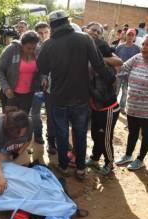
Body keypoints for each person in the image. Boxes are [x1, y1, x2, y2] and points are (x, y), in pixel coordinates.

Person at [37, 10, 116, 180]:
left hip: (59, 99)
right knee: (80, 134)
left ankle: (64, 166)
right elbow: (98, 64)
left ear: (52, 26)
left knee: (62, 134)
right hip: (81, 99)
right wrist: (110, 78)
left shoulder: (49, 44)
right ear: (67, 21)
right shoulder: (85, 39)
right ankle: (81, 169)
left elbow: (42, 68)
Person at [84, 22, 123, 175]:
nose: (94, 33)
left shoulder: (102, 48)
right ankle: (94, 158)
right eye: (92, 29)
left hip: (108, 107)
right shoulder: (83, 48)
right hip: (95, 106)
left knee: (105, 137)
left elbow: (118, 62)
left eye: (97, 31)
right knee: (95, 134)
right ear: (86, 30)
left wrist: (100, 60)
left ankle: (109, 162)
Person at [0, 108, 32, 195]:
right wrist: (0, 177)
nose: (21, 136)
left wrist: (17, 154)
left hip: (13, 147)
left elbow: (28, 141)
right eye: (17, 133)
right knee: (4, 171)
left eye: (23, 133)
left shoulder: (29, 123)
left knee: (24, 165)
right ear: (9, 130)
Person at [115, 35, 148, 170]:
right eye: (144, 44)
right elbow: (122, 68)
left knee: (146, 135)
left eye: (147, 46)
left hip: (146, 111)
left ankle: (140, 159)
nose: (144, 48)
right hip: (132, 106)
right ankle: (128, 155)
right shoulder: (137, 58)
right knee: (133, 132)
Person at [0, 31, 40, 114]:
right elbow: (0, 70)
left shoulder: (38, 50)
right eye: (28, 48)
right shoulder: (11, 49)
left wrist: (43, 78)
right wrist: (6, 88)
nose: (31, 51)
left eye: (33, 48)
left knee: (22, 122)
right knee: (10, 122)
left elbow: (41, 69)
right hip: (10, 94)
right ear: (22, 44)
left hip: (28, 95)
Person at [31, 21, 50, 145]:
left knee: (51, 113)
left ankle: (51, 136)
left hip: (52, 87)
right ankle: (38, 135)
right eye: (40, 33)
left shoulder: (54, 45)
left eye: (46, 32)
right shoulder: (32, 48)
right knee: (35, 113)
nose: (43, 35)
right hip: (36, 86)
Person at [115, 28, 140, 114]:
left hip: (130, 75)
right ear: (126, 35)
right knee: (116, 90)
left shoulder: (137, 49)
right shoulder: (120, 47)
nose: (130, 37)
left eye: (132, 35)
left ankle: (122, 107)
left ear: (134, 37)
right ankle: (114, 105)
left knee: (125, 92)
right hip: (118, 74)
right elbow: (114, 57)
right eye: (129, 34)